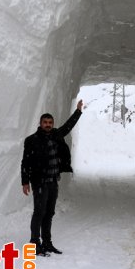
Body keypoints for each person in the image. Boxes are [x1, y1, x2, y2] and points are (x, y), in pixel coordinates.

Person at [21, 99, 83, 256]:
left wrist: (78, 111)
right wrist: (25, 181)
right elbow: (25, 161)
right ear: (40, 123)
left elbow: (68, 126)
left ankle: (47, 243)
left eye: (50, 122)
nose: (48, 124)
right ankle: (35, 244)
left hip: (53, 181)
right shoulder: (32, 140)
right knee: (39, 212)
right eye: (45, 122)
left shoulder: (56, 135)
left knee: (49, 213)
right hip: (39, 182)